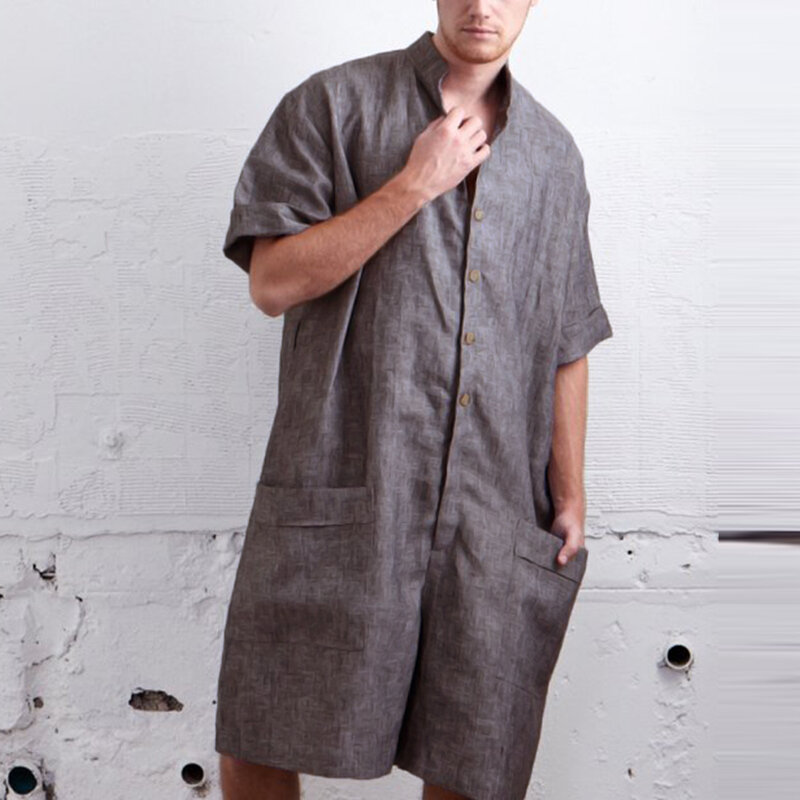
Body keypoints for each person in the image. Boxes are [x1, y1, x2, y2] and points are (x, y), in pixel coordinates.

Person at [215, 2, 613, 799]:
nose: (482, 6)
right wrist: (412, 185)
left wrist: (569, 493)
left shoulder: (554, 155)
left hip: (495, 508)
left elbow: (568, 337)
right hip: (348, 483)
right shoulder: (332, 105)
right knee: (265, 725)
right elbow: (272, 283)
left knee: (474, 753)